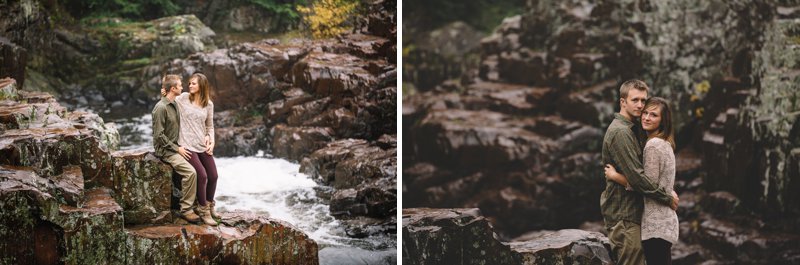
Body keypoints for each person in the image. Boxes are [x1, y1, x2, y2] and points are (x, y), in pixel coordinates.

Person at [599, 80, 678, 265]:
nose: (640, 106)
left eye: (643, 100)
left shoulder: (636, 132)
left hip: (635, 216)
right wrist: (666, 196)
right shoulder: (621, 133)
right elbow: (637, 177)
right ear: (622, 102)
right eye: (635, 100)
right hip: (624, 215)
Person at [162, 73, 219, 226]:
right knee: (202, 175)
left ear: (202, 85)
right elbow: (168, 98)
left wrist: (211, 141)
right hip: (186, 144)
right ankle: (203, 210)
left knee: (213, 176)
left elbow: (209, 126)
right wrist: (165, 89)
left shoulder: (209, 104)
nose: (190, 85)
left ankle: (210, 205)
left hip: (202, 144)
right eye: (189, 83)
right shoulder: (183, 98)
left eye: (193, 83)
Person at [152, 74, 200, 223]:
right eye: (179, 86)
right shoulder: (160, 108)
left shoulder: (175, 103)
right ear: (173, 89)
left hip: (176, 146)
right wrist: (176, 149)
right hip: (166, 150)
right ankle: (186, 210)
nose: (182, 87)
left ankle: (201, 205)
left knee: (200, 167)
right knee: (191, 173)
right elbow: (158, 136)